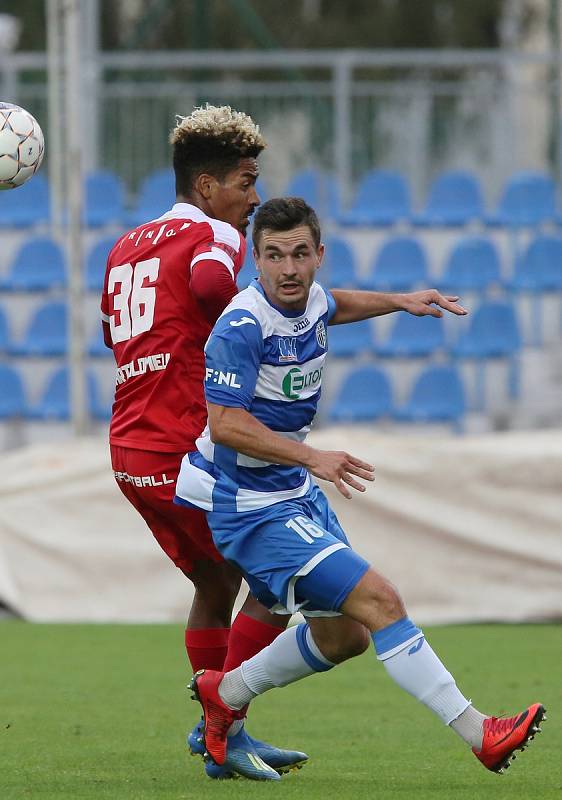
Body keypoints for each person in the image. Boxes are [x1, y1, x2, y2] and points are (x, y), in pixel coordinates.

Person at [174, 197, 546, 781]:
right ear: (256, 261)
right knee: (382, 601)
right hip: (250, 506)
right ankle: (482, 734)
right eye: (274, 256)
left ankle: (227, 692)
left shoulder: (311, 299)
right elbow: (226, 423)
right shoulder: (241, 326)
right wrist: (312, 456)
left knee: (344, 635)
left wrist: (399, 302)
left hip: (289, 491)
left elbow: (333, 305)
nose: (289, 268)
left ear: (319, 255)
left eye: (300, 253)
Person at [101, 105, 314, 780]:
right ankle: (225, 725)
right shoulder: (216, 235)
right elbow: (210, 283)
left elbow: (114, 336)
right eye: (246, 182)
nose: (254, 199)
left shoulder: (127, 243)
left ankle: (216, 728)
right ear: (206, 188)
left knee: (212, 579)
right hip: (182, 449)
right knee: (277, 579)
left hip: (130, 450)